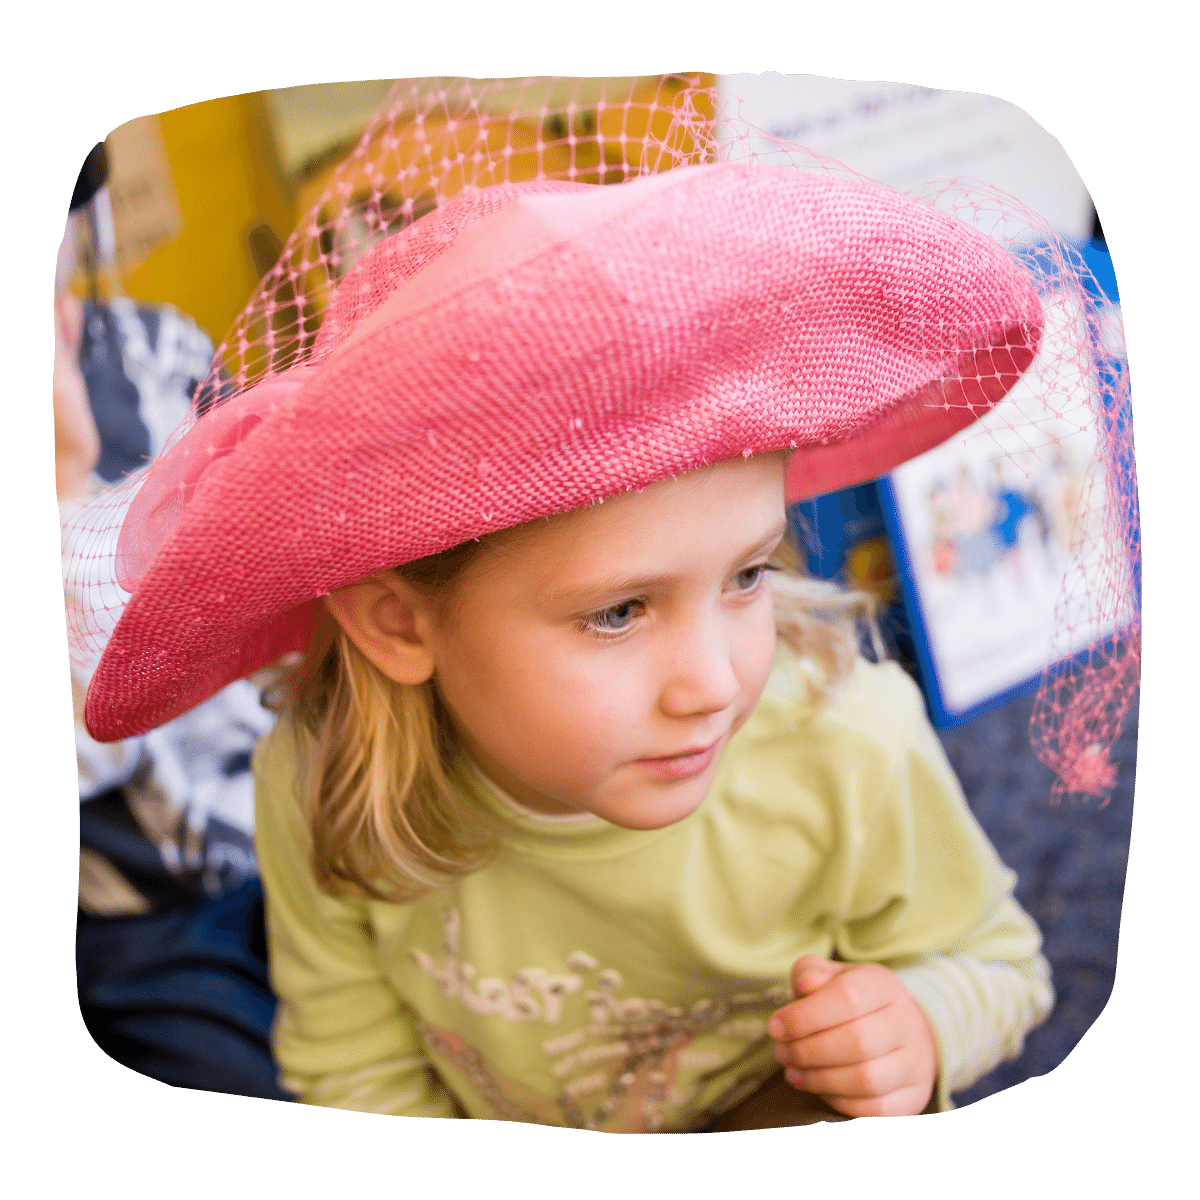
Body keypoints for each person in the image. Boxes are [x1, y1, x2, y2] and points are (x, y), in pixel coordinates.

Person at [73, 160, 1056, 1131]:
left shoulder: (846, 740)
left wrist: (921, 1025)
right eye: (618, 613)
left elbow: (1000, 960)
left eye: (747, 576)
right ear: (400, 624)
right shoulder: (319, 783)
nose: (714, 684)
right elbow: (356, 1068)